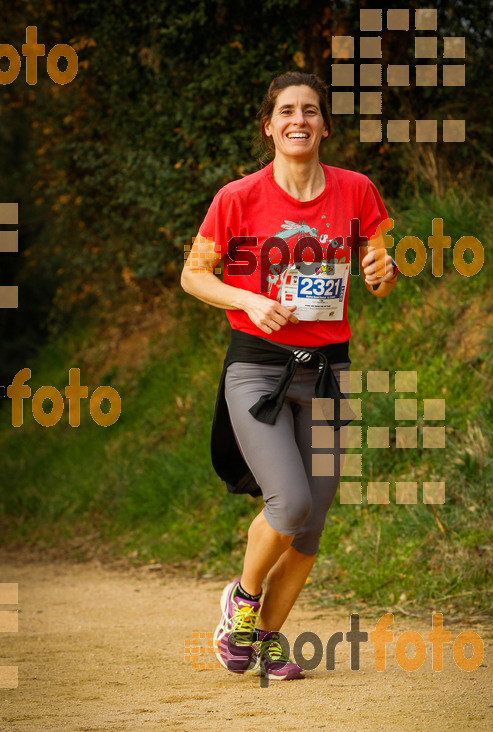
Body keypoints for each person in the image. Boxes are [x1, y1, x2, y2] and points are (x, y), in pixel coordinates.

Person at [181, 71, 397, 681]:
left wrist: (384, 268)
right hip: (257, 368)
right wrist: (247, 301)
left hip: (329, 372)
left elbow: (381, 272)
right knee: (291, 500)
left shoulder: (357, 191)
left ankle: (265, 640)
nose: (298, 119)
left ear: (325, 125)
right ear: (270, 126)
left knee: (314, 520)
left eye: (310, 110)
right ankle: (242, 604)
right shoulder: (238, 197)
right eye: (286, 111)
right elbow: (193, 276)